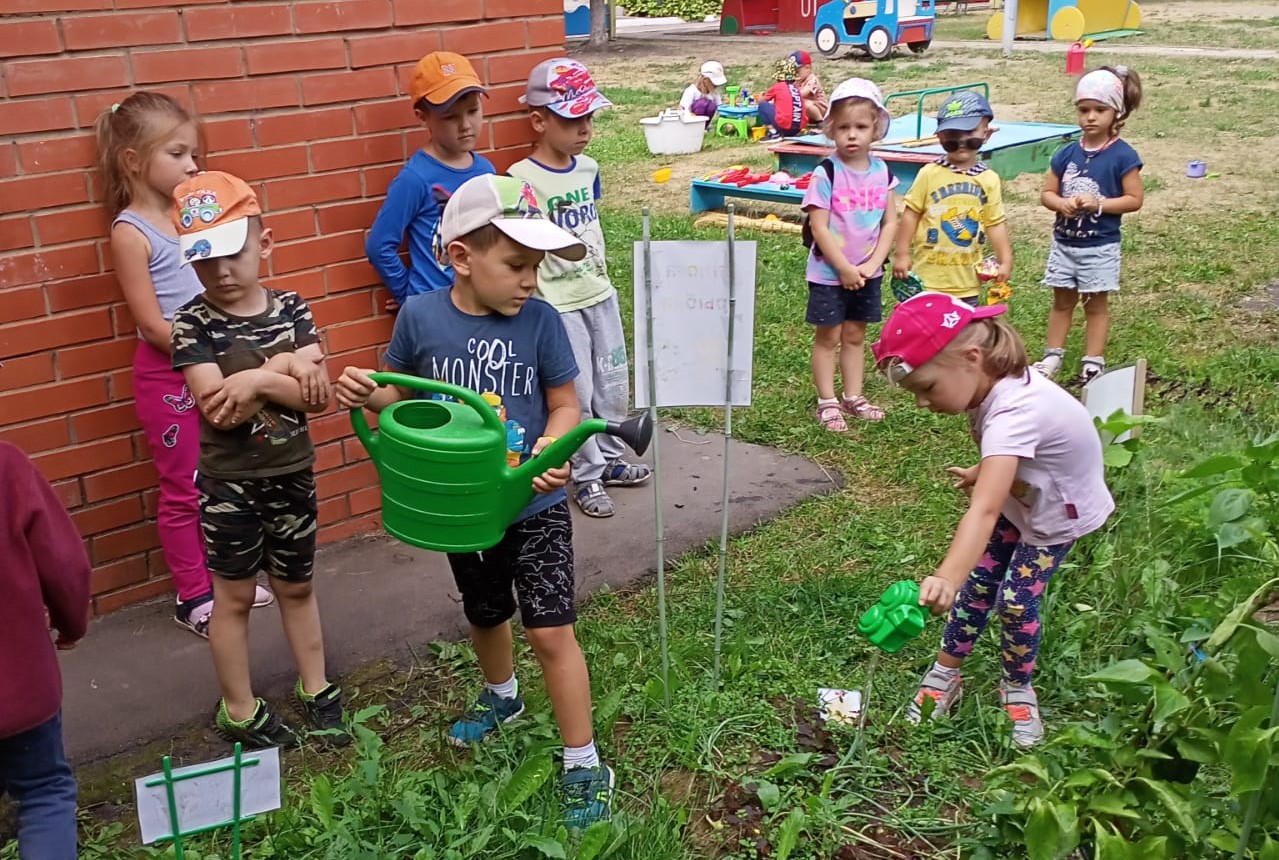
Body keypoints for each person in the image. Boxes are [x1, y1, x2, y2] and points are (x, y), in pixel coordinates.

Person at [335, 174, 615, 831]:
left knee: (550, 630)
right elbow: (399, 400)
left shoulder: (542, 321)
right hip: (464, 507)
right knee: (485, 610)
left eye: (537, 266)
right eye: (517, 264)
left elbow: (564, 402)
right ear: (461, 257)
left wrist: (550, 449)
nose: (529, 280)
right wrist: (362, 389)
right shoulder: (420, 318)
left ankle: (582, 761)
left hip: (532, 505)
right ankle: (502, 698)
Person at [871, 292, 1114, 747]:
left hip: (1053, 518)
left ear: (972, 357)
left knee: (1017, 603)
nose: (923, 403)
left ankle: (1018, 687)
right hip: (1021, 499)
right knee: (980, 585)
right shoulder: (992, 388)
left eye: (927, 388)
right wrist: (985, 471)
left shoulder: (1015, 410)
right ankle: (947, 671)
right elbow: (1022, 454)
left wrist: (945, 576)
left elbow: (984, 508)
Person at [170, 171, 347, 749]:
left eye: (232, 253)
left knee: (297, 586)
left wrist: (251, 378)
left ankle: (316, 687)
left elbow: (314, 396)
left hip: (291, 475)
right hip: (229, 485)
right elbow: (218, 410)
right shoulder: (192, 324)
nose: (220, 272)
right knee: (235, 596)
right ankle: (239, 708)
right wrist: (282, 370)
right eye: (204, 260)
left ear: (263, 244)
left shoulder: (293, 308)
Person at [96, 91, 274, 639]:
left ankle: (232, 576)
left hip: (218, 366)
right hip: (170, 377)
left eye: (193, 153)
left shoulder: (192, 217)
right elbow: (151, 324)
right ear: (133, 160)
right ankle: (193, 594)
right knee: (185, 486)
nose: (193, 165)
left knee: (228, 473)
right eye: (178, 153)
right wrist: (211, 346)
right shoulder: (132, 232)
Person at [508, 58, 651, 519]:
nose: (584, 128)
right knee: (580, 393)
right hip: (558, 304)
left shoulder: (588, 168)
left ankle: (610, 459)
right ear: (539, 120)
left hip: (599, 293)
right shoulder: (520, 179)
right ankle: (585, 477)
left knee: (612, 385)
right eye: (572, 119)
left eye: (589, 117)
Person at [0, 442, 92, 860]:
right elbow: (64, 564)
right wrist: (71, 622)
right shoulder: (6, 465)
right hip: (19, 688)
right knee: (43, 791)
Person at [1034, 66, 1144, 383]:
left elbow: (1134, 199)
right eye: (1084, 110)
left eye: (1100, 110)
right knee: (1062, 303)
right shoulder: (1066, 153)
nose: (1090, 117)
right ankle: (1052, 357)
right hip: (1064, 244)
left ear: (1117, 113)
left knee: (1095, 306)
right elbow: (1047, 193)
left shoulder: (1123, 156)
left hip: (1100, 247)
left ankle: (1093, 361)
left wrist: (1099, 204)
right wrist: (1061, 204)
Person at [802, 79, 899, 431]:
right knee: (828, 337)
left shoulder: (883, 173)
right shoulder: (826, 173)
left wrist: (872, 265)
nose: (852, 135)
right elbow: (819, 227)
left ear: (875, 129)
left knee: (856, 335)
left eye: (860, 127)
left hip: (867, 274)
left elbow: (890, 223)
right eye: (844, 128)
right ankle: (827, 401)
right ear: (831, 130)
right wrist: (843, 268)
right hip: (830, 275)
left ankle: (853, 396)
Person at [365, 51, 496, 310]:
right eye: (450, 117)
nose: (466, 125)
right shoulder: (415, 179)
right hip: (436, 310)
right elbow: (379, 245)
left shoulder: (486, 171)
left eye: (472, 111)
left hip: (481, 305)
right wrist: (410, 297)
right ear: (422, 116)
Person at [893, 91, 1013, 307]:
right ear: (939, 138)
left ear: (986, 133)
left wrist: (1005, 259)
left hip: (967, 282)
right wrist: (901, 254)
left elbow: (995, 223)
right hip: (928, 280)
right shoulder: (929, 173)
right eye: (952, 137)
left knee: (965, 336)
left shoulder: (989, 180)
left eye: (970, 133)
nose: (961, 142)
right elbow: (911, 215)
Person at [757, 56, 805, 140]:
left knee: (762, 105)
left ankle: (773, 133)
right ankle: (785, 132)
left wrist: (760, 96)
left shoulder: (778, 86)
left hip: (785, 128)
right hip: (797, 129)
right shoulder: (796, 89)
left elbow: (763, 100)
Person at [791, 50, 829, 127]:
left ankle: (820, 121)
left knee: (804, 103)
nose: (794, 74)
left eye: (796, 71)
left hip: (820, 109)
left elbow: (805, 92)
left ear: (807, 68)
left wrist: (789, 94)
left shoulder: (812, 79)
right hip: (808, 111)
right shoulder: (797, 81)